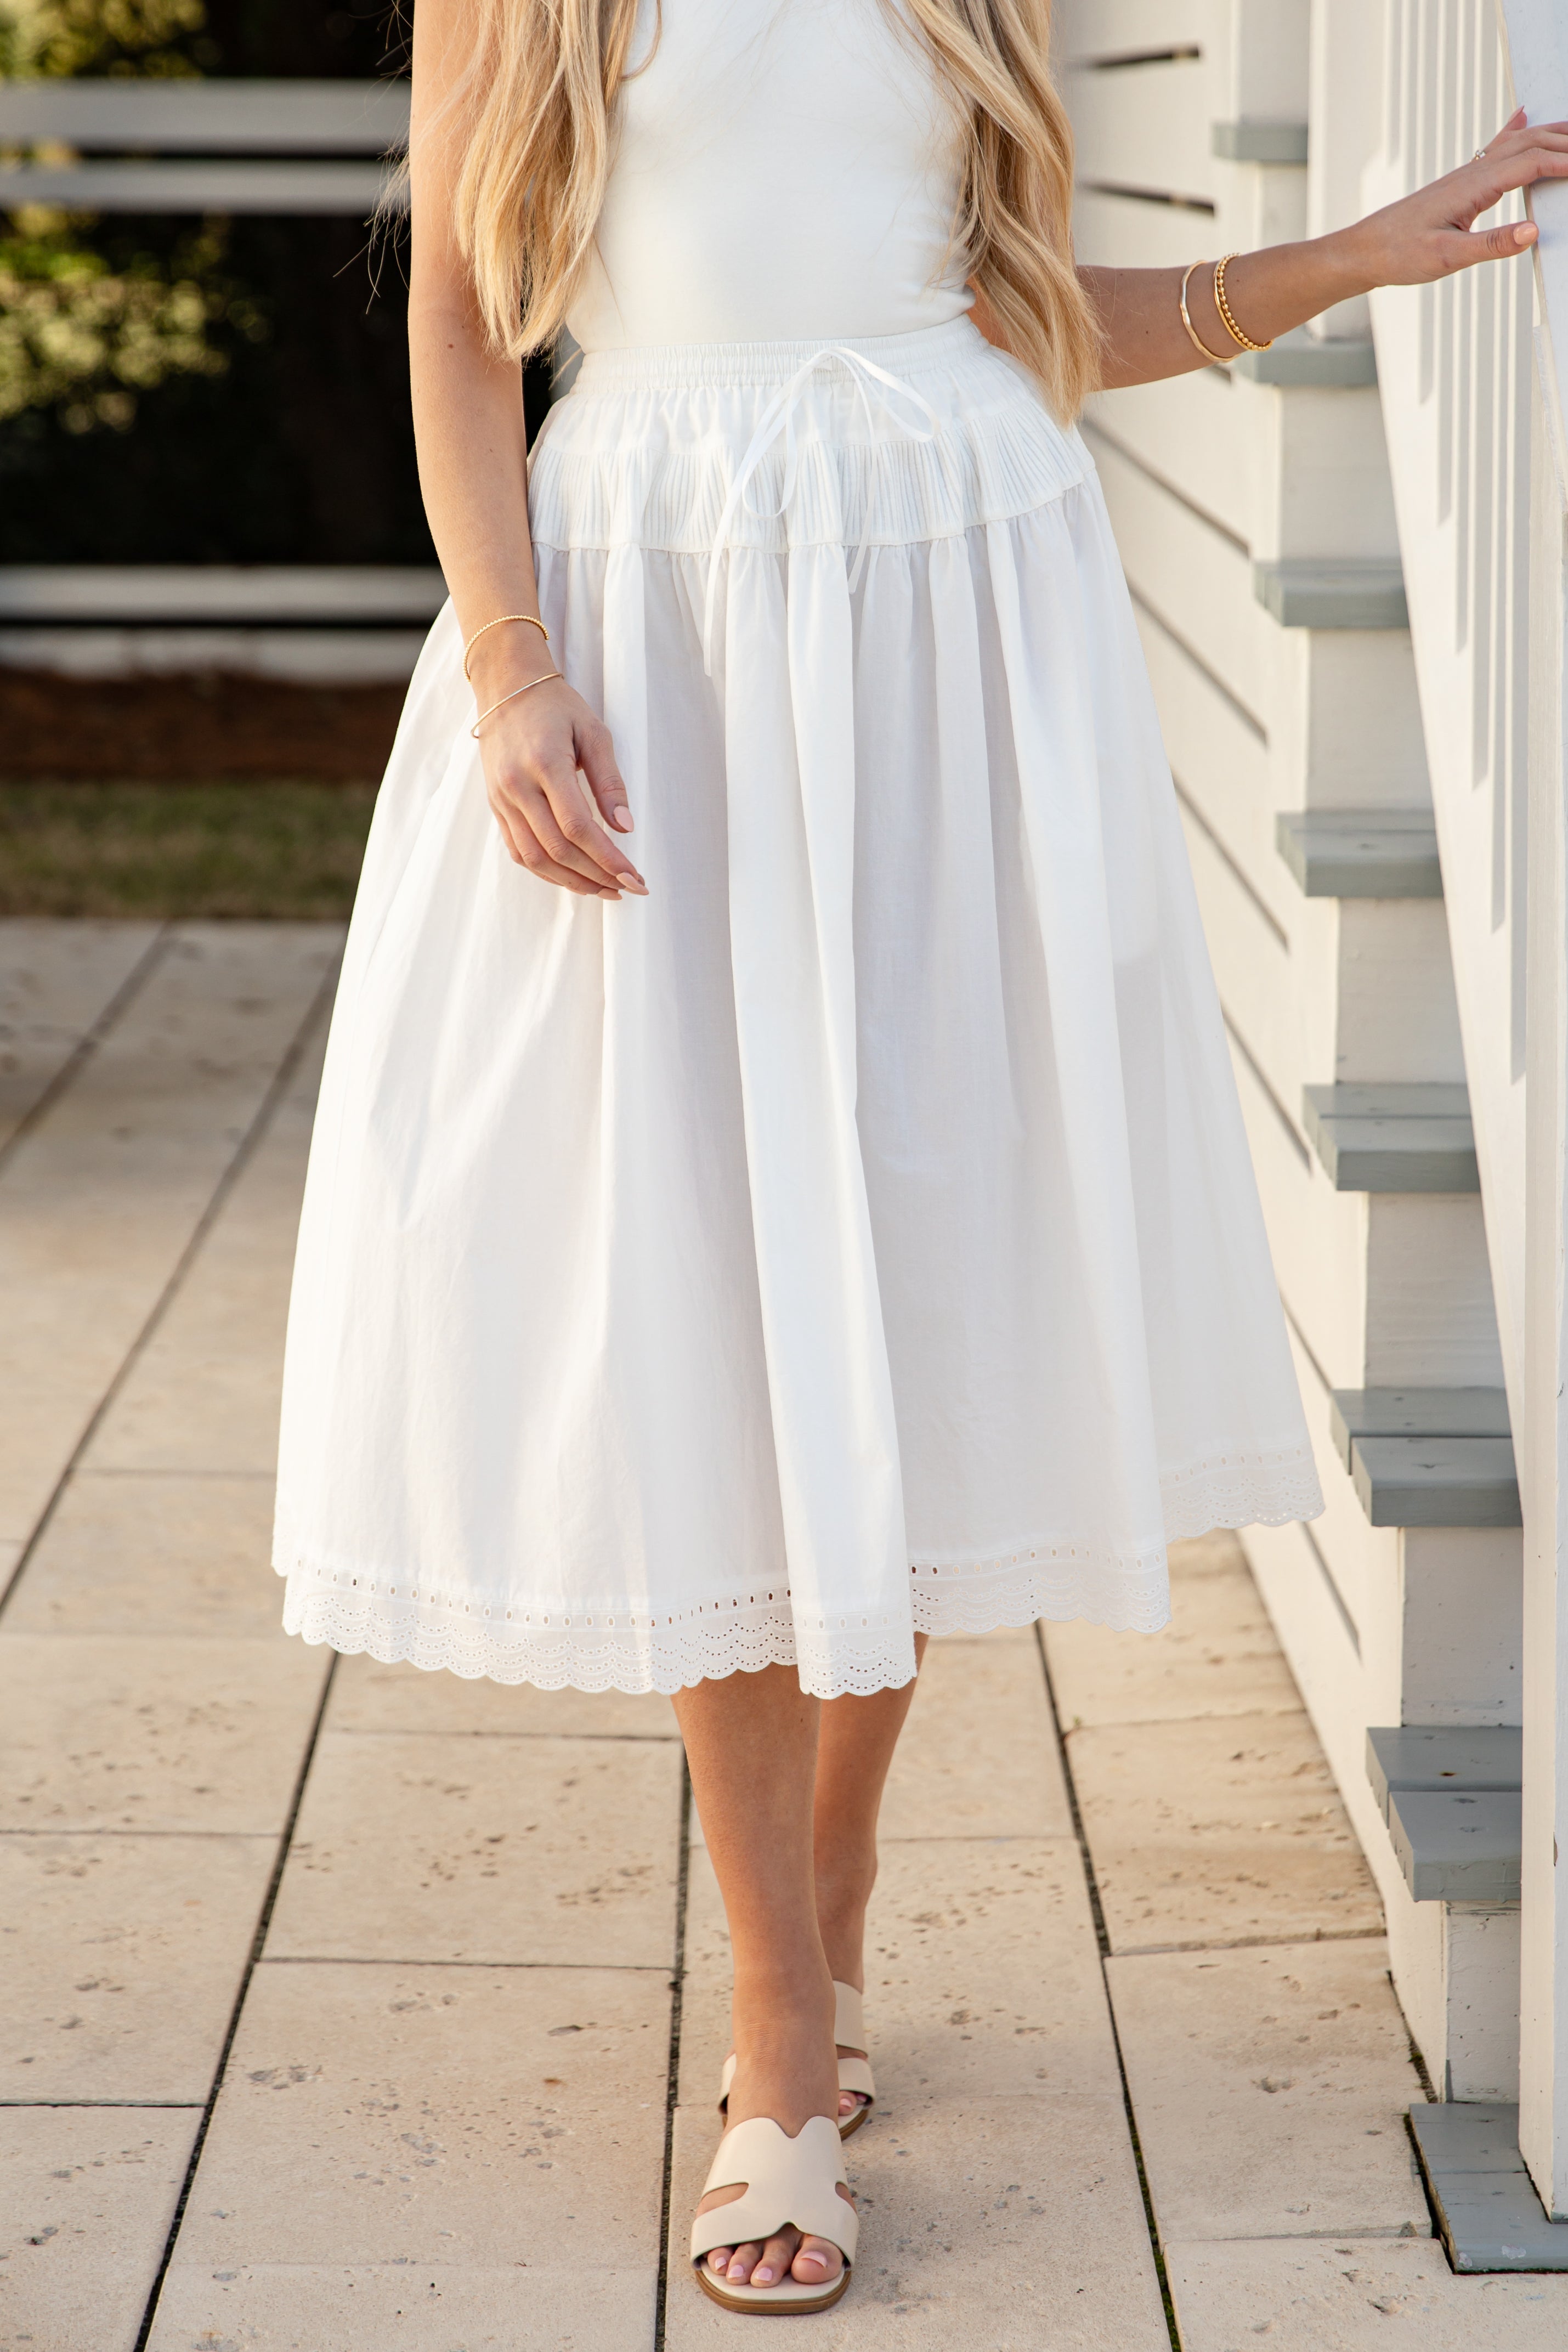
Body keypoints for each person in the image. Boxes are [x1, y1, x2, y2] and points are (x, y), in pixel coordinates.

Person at [271, 0, 1567, 2314]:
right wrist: (506, 664)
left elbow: (1033, 315)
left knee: (912, 1292)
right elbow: (468, 319)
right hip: (658, 612)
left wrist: (1354, 257)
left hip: (964, 615)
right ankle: (781, 2035)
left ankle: (826, 1898)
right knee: (714, 1308)